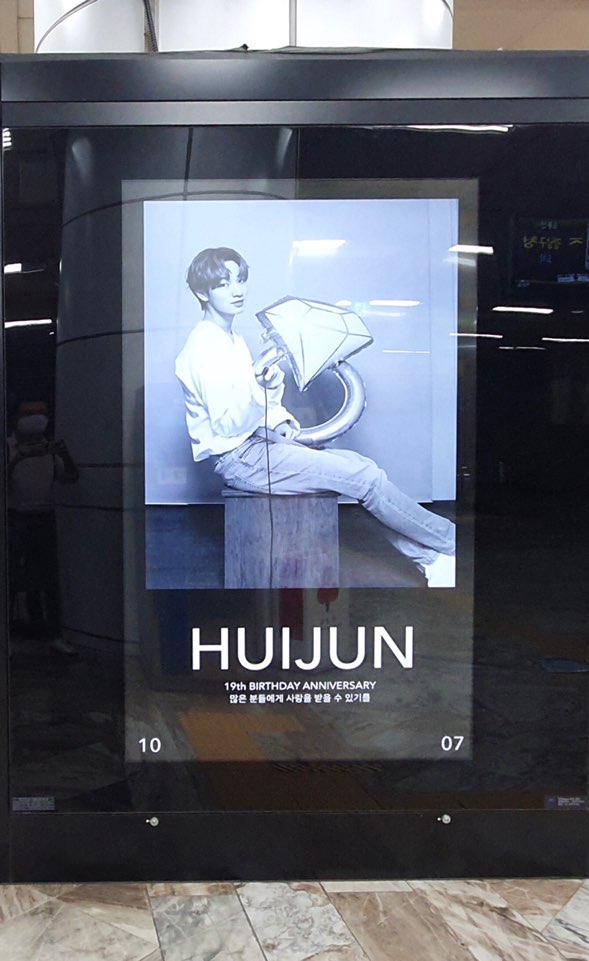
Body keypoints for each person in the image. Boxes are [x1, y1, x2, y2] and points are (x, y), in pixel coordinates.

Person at [175, 247, 455, 586]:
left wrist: (272, 397)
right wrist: (259, 388)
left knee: (359, 466)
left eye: (240, 280)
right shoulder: (204, 348)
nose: (237, 290)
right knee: (365, 477)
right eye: (223, 283)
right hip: (240, 459)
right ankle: (449, 544)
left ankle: (429, 558)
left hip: (256, 447)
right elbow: (228, 424)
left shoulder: (232, 341)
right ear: (202, 292)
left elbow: (257, 408)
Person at [7, 401, 79, 653]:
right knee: (12, 577)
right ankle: (10, 637)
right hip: (16, 517)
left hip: (44, 517)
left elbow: (70, 477)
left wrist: (64, 454)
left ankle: (52, 634)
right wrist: (19, 459)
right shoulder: (9, 447)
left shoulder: (49, 450)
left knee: (48, 578)